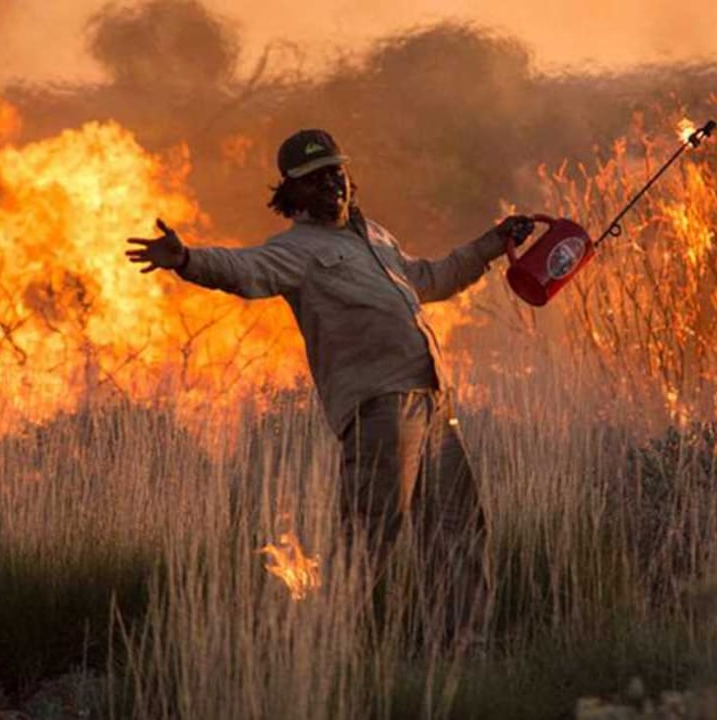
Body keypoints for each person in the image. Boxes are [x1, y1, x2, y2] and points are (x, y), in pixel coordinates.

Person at [126, 128, 532, 647]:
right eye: (314, 180)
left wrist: (494, 242)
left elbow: (429, 279)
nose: (331, 184)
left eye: (335, 172)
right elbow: (244, 269)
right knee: (368, 537)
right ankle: (320, 647)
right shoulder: (294, 250)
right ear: (290, 195)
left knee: (458, 528)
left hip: (432, 398)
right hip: (380, 406)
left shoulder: (376, 237)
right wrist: (186, 260)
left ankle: (462, 649)